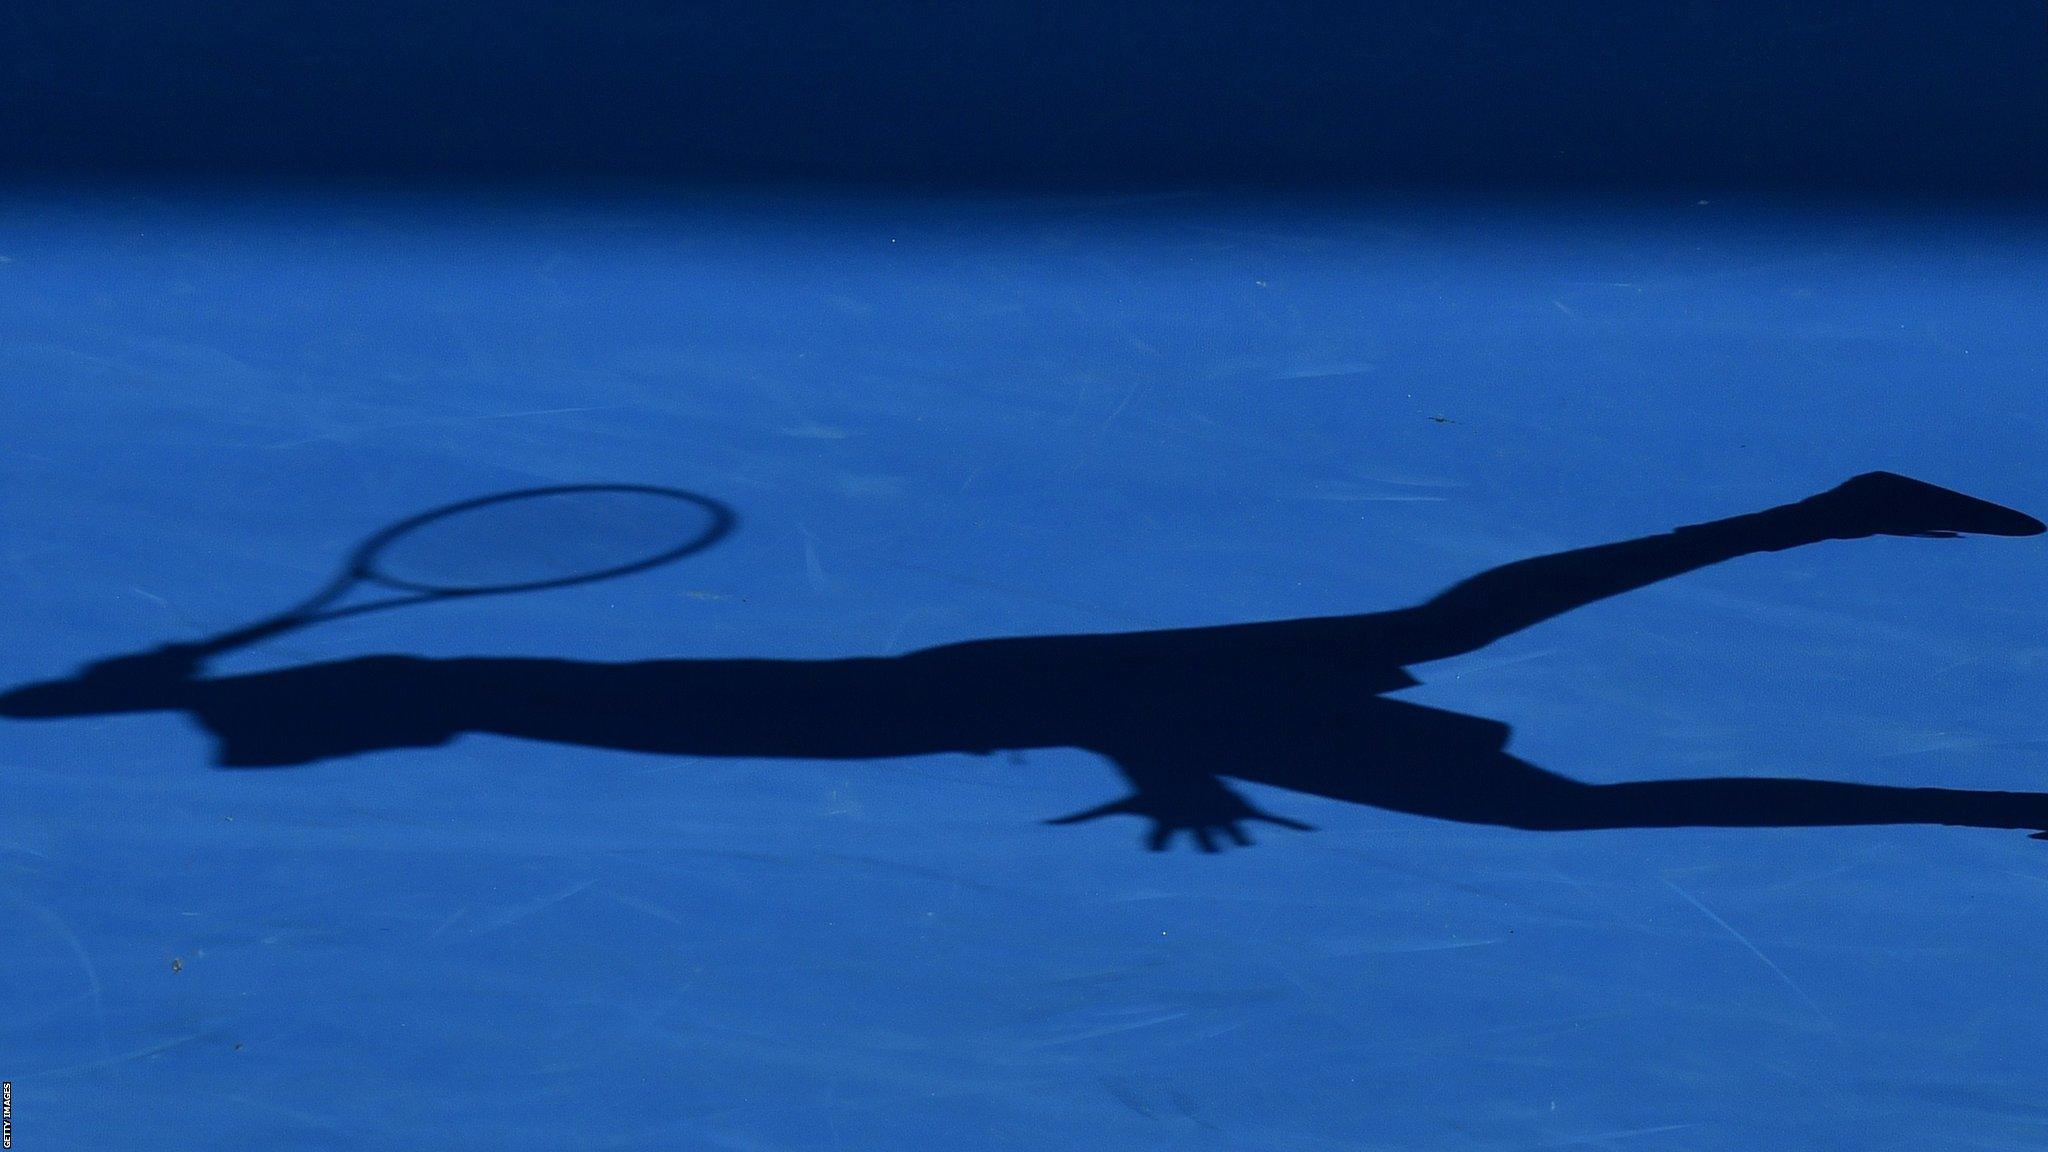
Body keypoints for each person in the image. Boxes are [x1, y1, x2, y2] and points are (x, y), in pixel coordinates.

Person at [4, 471, 2041, 851]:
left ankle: (1817, 515)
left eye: (311, 736)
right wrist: (150, 687)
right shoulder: (546, 704)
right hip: (1103, 703)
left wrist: (1173, 767)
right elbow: (146, 709)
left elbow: (1084, 701)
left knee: (1452, 641)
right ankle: (1998, 804)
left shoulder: (580, 706)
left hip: (1089, 682)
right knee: (1550, 800)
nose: (310, 753)